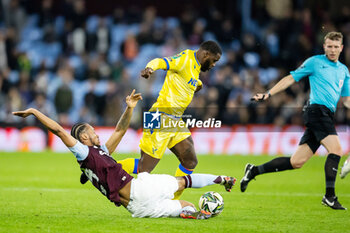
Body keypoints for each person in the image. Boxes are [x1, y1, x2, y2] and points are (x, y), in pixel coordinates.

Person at [12, 90, 236, 219]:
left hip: (137, 209)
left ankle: (201, 213)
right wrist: (33, 112)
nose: (95, 130)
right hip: (140, 189)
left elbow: (120, 130)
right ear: (84, 138)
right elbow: (59, 130)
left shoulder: (98, 154)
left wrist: (129, 108)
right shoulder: (83, 152)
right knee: (183, 181)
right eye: (91, 129)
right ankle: (222, 179)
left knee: (188, 208)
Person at [242, 32, 350, 210]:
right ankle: (330, 196)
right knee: (336, 149)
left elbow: (346, 100)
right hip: (316, 111)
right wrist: (268, 94)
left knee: (296, 162)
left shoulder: (344, 71)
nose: (332, 50)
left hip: (326, 114)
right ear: (324, 47)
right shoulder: (315, 62)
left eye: (336, 47)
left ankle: (253, 170)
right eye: (329, 46)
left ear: (341, 48)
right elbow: (290, 78)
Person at [121, 41, 222, 200]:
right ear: (206, 54)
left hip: (174, 120)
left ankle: (173, 201)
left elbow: (187, 79)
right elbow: (161, 62)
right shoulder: (185, 59)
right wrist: (150, 68)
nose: (214, 65)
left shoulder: (195, 67)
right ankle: (103, 169)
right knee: (144, 168)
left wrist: (198, 84)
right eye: (214, 60)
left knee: (190, 160)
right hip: (159, 116)